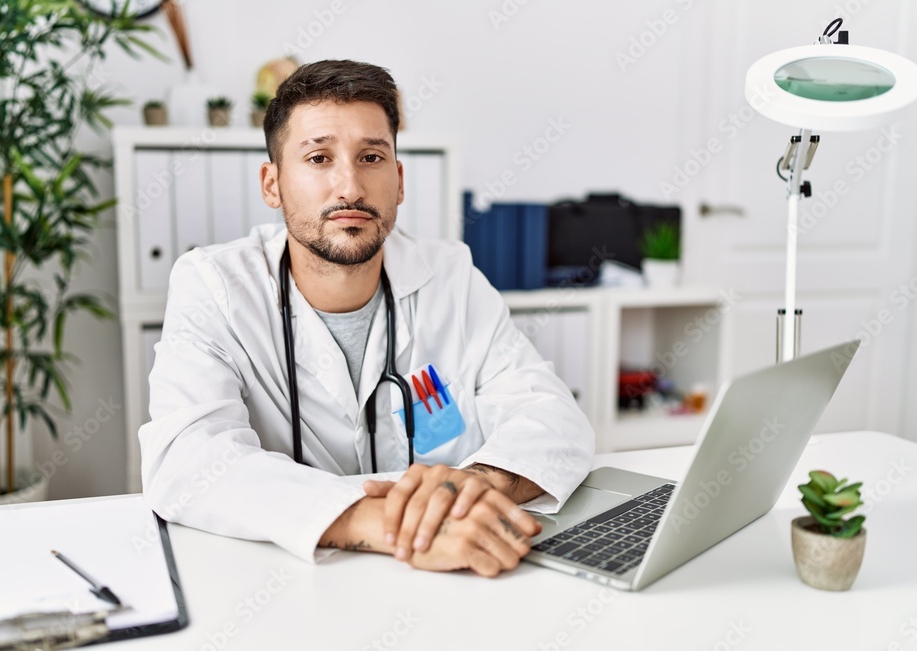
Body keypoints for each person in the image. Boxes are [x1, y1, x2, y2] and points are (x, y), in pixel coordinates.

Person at [139, 59, 594, 577]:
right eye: (318, 157)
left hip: (452, 579)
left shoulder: (451, 276)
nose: (350, 187)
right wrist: (385, 525)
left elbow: (552, 415)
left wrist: (474, 485)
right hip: (293, 585)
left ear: (398, 180)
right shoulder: (215, 286)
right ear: (272, 184)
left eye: (371, 156)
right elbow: (188, 461)